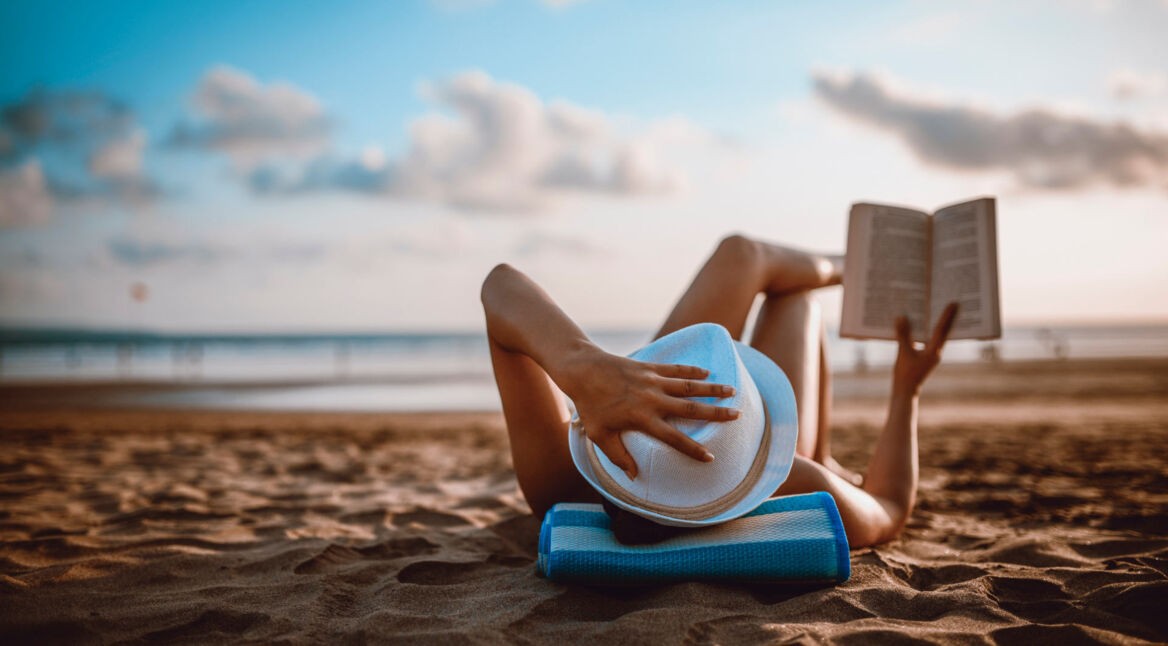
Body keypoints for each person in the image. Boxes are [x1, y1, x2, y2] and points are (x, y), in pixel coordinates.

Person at [480, 234, 958, 548]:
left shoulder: (564, 484)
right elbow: (890, 505)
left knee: (741, 255)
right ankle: (856, 271)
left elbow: (500, 286)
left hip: (647, 407)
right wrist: (907, 389)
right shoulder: (795, 485)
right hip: (794, 464)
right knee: (794, 300)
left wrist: (583, 365)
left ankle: (854, 268)